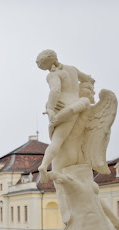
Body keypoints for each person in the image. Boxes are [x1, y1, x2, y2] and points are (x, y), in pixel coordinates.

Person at [36, 49, 95, 184]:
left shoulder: (53, 75)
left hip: (64, 108)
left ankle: (44, 165)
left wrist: (50, 108)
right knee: (70, 137)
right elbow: (88, 79)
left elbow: (55, 90)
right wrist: (88, 89)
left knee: (58, 140)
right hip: (76, 105)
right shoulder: (72, 69)